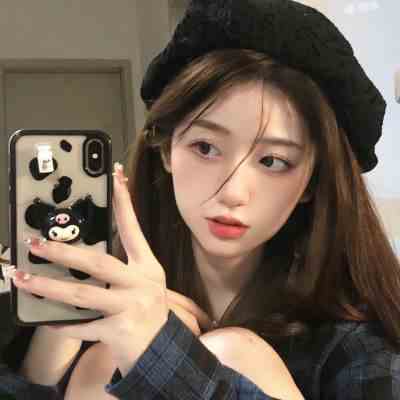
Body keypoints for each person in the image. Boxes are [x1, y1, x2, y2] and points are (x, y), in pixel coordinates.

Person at [1, 0, 400, 399]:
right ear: (166, 149)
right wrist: (59, 332)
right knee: (102, 361)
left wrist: (159, 353)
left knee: (233, 351)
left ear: (312, 181)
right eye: (206, 148)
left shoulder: (355, 345)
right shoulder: (104, 297)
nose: (233, 192)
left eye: (273, 161)